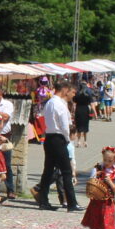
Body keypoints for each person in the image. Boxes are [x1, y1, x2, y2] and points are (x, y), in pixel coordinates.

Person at [33, 80, 76, 211]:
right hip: (58, 138)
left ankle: (43, 201)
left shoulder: (49, 102)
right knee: (66, 171)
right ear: (64, 89)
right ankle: (72, 203)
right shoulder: (59, 104)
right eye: (68, 90)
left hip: (49, 137)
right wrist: (67, 139)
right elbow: (64, 125)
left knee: (48, 170)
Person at [80, 145, 115, 229]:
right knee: (93, 226)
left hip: (108, 203)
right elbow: (91, 184)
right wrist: (95, 179)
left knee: (107, 228)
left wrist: (110, 182)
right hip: (96, 201)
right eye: (105, 160)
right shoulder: (96, 169)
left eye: (110, 161)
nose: (107, 163)